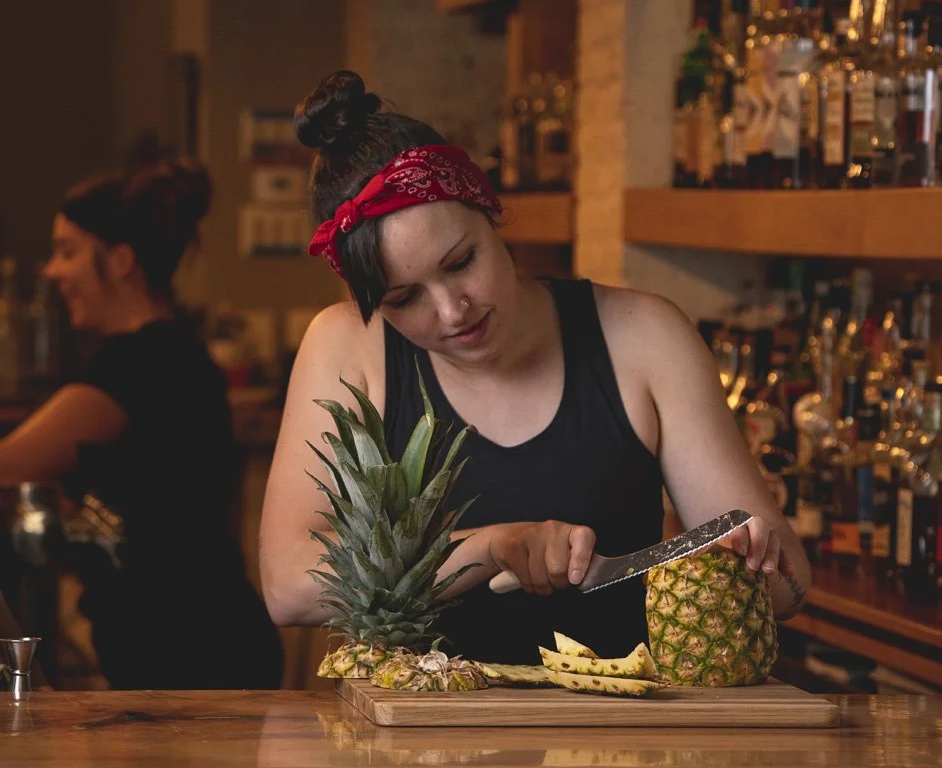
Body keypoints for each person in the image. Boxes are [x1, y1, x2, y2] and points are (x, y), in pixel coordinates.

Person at [259, 70, 810, 665]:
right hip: (411, 735)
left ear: (489, 211)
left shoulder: (645, 337)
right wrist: (495, 547)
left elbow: (788, 588)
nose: (452, 310)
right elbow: (288, 587)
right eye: (404, 300)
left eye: (462, 261)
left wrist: (745, 558)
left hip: (620, 741)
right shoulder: (345, 346)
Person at [0, 159, 283, 689]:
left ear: (123, 260)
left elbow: (8, 464)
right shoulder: (161, 353)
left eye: (68, 251)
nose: (51, 271)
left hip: (194, 651)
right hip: (192, 643)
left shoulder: (143, 361)